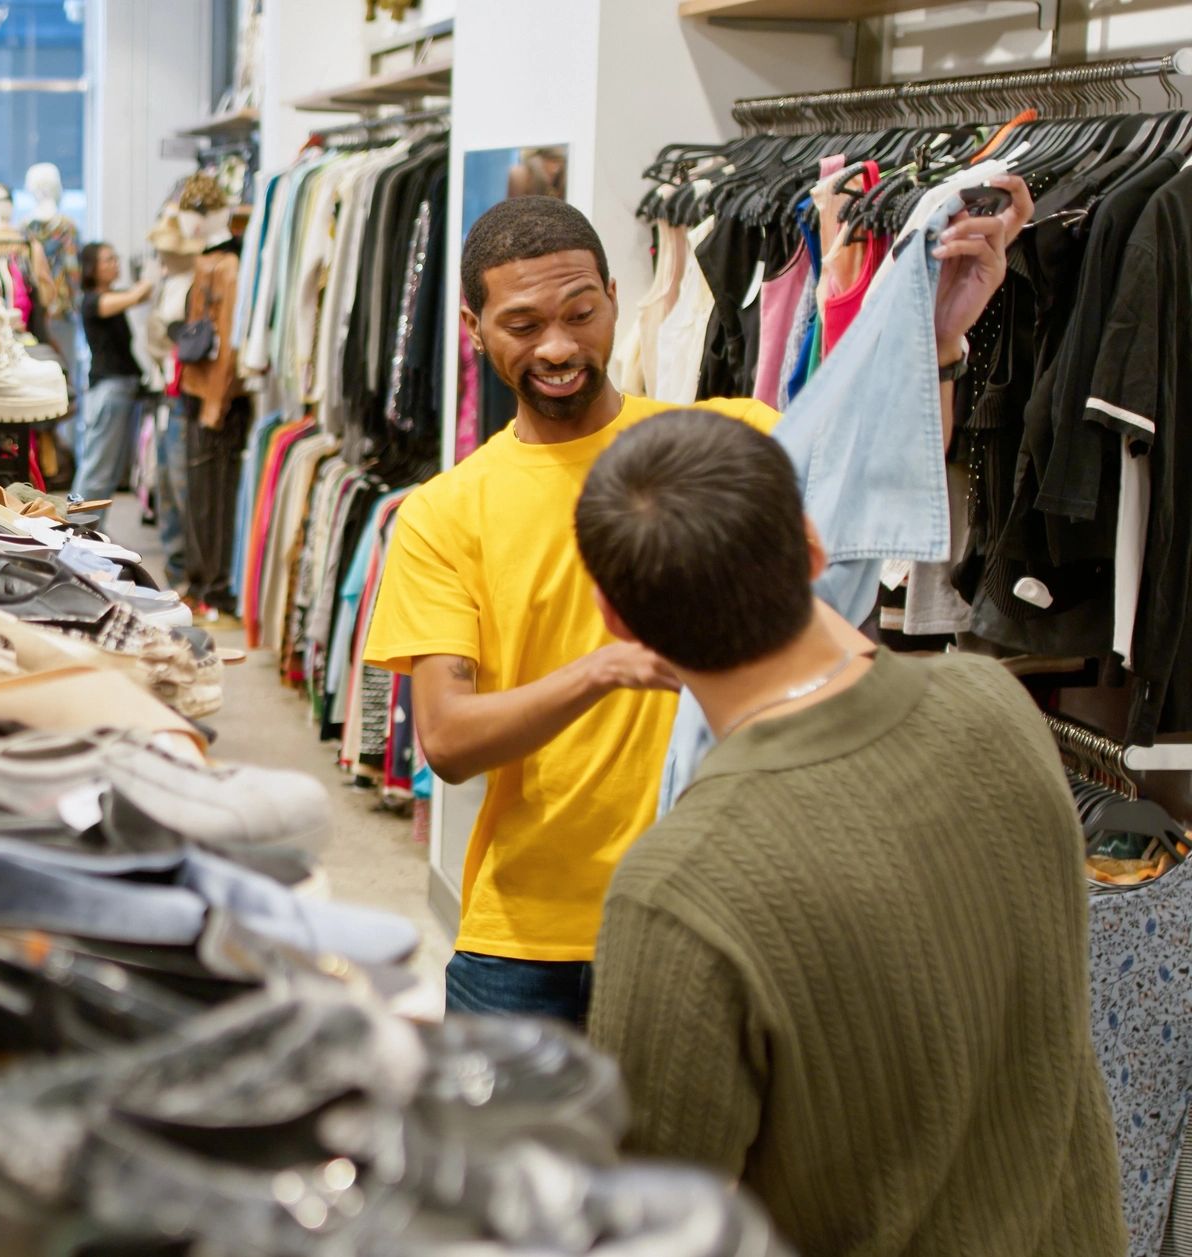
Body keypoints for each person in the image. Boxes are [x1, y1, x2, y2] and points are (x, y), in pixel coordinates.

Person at [360, 186, 1024, 1024]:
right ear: (474, 327)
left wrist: (938, 342)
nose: (560, 345)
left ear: (613, 299)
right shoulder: (443, 512)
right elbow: (449, 741)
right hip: (531, 943)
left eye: (582, 310)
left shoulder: (720, 442)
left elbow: (866, 494)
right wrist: (603, 670)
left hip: (716, 914)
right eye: (524, 326)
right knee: (508, 1160)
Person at [575, 409, 1126, 1256]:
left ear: (618, 621)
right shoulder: (997, 706)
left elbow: (651, 1222)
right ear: (811, 546)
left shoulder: (682, 886)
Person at [71, 241, 152, 509]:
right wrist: (153, 273)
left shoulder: (107, 298)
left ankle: (87, 530)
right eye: (108, 259)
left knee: (106, 472)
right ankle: (75, 530)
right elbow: (136, 296)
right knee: (97, 470)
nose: (115, 263)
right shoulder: (93, 302)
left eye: (115, 258)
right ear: (92, 268)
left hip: (118, 389)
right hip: (109, 390)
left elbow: (136, 296)